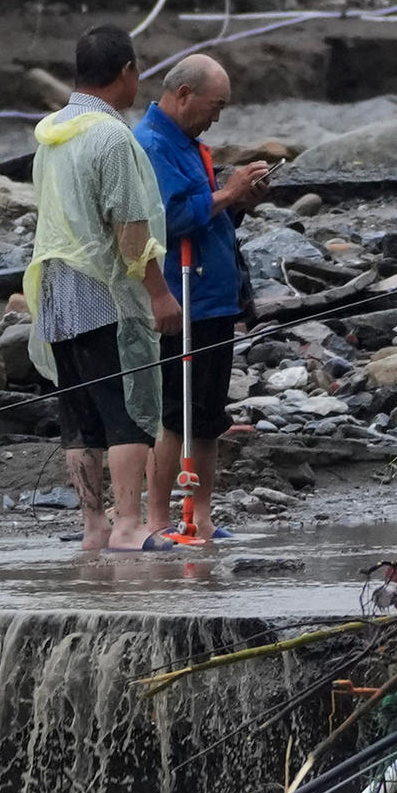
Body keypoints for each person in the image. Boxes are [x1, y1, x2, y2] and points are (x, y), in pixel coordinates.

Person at [18, 22, 178, 555]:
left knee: (79, 418)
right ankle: (130, 525)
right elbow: (131, 231)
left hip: (56, 295)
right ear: (128, 71)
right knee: (126, 410)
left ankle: (94, 528)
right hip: (104, 294)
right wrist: (159, 293)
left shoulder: (51, 133)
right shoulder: (111, 137)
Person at [135, 49, 273, 543]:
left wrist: (239, 202)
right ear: (183, 94)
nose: (217, 117)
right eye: (214, 106)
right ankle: (157, 520)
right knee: (175, 412)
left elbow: (208, 214)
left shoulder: (190, 142)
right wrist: (227, 193)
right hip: (181, 296)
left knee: (208, 416)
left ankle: (202, 516)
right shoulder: (150, 144)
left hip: (214, 297)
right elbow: (166, 219)